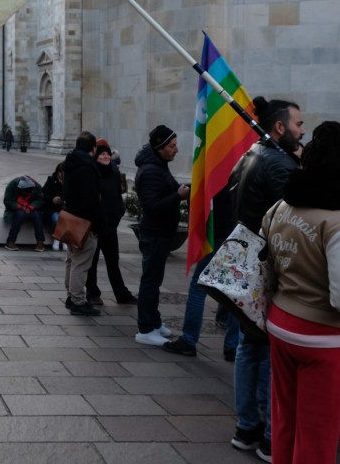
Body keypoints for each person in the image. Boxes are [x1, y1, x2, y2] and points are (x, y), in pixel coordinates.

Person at [262, 121, 340, 464]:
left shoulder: (281, 207)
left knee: (287, 425)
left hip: (281, 324)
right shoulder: (335, 219)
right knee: (318, 437)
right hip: (323, 341)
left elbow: (269, 266)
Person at [227, 96, 304, 462]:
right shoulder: (280, 164)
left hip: (245, 260)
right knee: (273, 353)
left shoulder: (250, 154)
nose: (302, 131)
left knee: (250, 347)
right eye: (298, 125)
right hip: (269, 268)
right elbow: (294, 219)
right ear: (279, 127)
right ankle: (272, 436)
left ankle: (247, 427)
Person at [163, 186, 240, 358]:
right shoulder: (241, 174)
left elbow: (199, 205)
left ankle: (189, 340)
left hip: (216, 235)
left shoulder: (213, 176)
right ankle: (232, 346)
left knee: (198, 287)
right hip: (236, 236)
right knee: (234, 291)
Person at [134, 125, 190, 345]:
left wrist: (182, 191)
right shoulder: (151, 170)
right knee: (150, 282)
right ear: (160, 147)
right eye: (172, 146)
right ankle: (146, 329)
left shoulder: (159, 165)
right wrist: (178, 196)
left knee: (154, 281)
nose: (176, 150)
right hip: (155, 233)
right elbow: (152, 206)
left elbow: (168, 190)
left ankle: (154, 322)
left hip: (161, 233)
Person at [86, 140, 136, 305]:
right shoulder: (92, 172)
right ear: (96, 156)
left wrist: (118, 213)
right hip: (95, 226)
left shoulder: (114, 172)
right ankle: (92, 293)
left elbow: (117, 197)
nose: (106, 156)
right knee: (92, 262)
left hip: (110, 226)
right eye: (102, 154)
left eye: (107, 153)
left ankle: (121, 294)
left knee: (113, 261)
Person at [63, 131, 101, 315]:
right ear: (93, 149)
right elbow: (91, 199)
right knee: (81, 261)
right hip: (84, 222)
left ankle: (71, 296)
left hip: (71, 218)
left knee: (72, 259)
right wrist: (96, 223)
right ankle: (78, 301)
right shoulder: (87, 166)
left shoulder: (71, 162)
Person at [3, 175, 46, 252]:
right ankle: (11, 241)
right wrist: (20, 207)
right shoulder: (12, 185)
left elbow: (40, 200)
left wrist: (31, 207)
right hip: (17, 208)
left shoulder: (37, 186)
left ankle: (40, 242)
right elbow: (7, 201)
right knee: (20, 215)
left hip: (32, 208)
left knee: (36, 215)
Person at [43, 162, 65, 249]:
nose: (62, 174)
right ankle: (57, 239)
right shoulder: (51, 180)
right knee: (56, 219)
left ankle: (62, 240)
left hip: (65, 209)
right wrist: (52, 199)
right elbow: (44, 195)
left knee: (66, 219)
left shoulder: (70, 182)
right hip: (52, 209)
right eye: (60, 172)